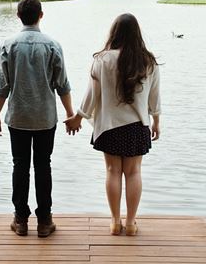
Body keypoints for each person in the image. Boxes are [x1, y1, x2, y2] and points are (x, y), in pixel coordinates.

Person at [65, 13, 161, 236]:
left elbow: (91, 95)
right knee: (134, 172)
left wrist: (79, 117)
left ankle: (115, 222)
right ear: (138, 34)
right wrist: (156, 121)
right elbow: (155, 97)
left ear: (114, 33)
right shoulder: (148, 61)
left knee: (112, 172)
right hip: (138, 126)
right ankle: (131, 223)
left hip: (109, 127)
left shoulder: (102, 59)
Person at [0, 0, 75, 238]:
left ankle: (20, 220)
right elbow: (63, 85)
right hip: (45, 118)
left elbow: (2, 86)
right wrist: (70, 114)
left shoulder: (8, 45)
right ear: (41, 15)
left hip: (17, 117)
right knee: (43, 165)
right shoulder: (52, 45)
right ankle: (44, 220)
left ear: (18, 16)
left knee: (20, 165)